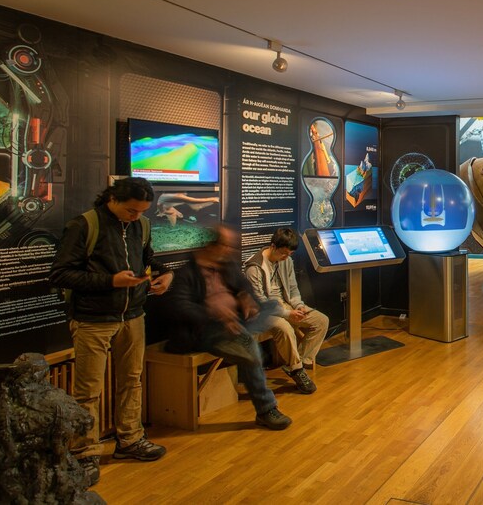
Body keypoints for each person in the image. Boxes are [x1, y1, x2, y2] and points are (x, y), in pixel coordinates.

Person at [49, 177, 174, 488]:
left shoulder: (140, 225)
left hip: (133, 315)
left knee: (132, 381)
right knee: (87, 391)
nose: (135, 217)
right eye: (131, 210)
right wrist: (111, 282)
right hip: (93, 319)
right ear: (112, 199)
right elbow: (61, 274)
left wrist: (166, 274)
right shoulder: (84, 225)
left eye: (141, 212)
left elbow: (148, 259)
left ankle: (130, 439)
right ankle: (85, 451)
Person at [164, 225, 293, 431]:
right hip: (206, 329)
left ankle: (241, 334)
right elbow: (180, 307)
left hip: (237, 322)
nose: (229, 250)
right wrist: (216, 315)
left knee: (271, 306)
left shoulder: (226, 265)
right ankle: (266, 410)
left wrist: (246, 299)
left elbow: (244, 287)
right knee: (251, 353)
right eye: (225, 245)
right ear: (211, 245)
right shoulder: (188, 272)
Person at [243, 228, 328, 394]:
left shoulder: (286, 261)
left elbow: (293, 288)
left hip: (285, 305)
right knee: (285, 328)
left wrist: (298, 306)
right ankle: (297, 370)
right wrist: (287, 314)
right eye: (283, 253)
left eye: (289, 254)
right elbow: (260, 302)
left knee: (321, 321)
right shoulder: (254, 267)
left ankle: (298, 364)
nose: (286, 257)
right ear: (273, 246)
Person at [155, 192, 220, 226]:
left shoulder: (167, 198)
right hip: (164, 205)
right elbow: (194, 200)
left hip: (164, 205)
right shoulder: (174, 196)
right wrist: (213, 199)